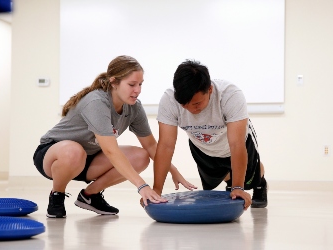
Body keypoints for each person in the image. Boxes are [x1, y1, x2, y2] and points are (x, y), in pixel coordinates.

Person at [33, 55, 195, 218]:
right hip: (53, 156)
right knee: (74, 151)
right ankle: (57, 195)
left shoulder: (134, 108)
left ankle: (90, 195)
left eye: (140, 84)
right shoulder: (96, 102)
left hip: (88, 160)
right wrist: (142, 186)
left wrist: (172, 170)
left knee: (141, 156)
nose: (137, 90)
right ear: (114, 82)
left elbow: (152, 146)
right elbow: (111, 150)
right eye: (132, 84)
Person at [153, 59, 268, 210]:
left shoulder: (230, 95)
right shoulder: (169, 100)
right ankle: (231, 181)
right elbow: (166, 146)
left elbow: (236, 144)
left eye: (196, 104)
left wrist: (238, 187)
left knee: (249, 179)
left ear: (210, 90)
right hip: (202, 146)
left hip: (236, 143)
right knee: (217, 178)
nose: (190, 110)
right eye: (183, 105)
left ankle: (260, 184)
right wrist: (156, 191)